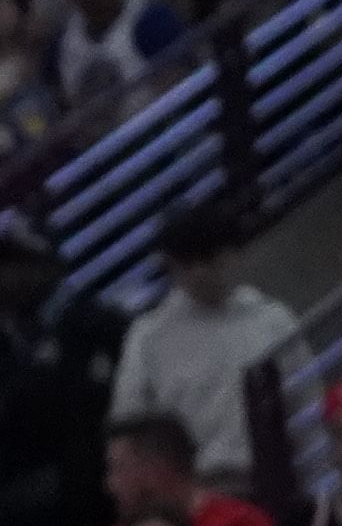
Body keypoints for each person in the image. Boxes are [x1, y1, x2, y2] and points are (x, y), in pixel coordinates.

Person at [112, 206, 301, 495]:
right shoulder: (148, 337)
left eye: (208, 259)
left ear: (231, 254)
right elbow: (131, 422)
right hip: (199, 490)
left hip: (276, 477)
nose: (199, 273)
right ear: (171, 266)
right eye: (187, 264)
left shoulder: (271, 319)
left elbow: (304, 397)